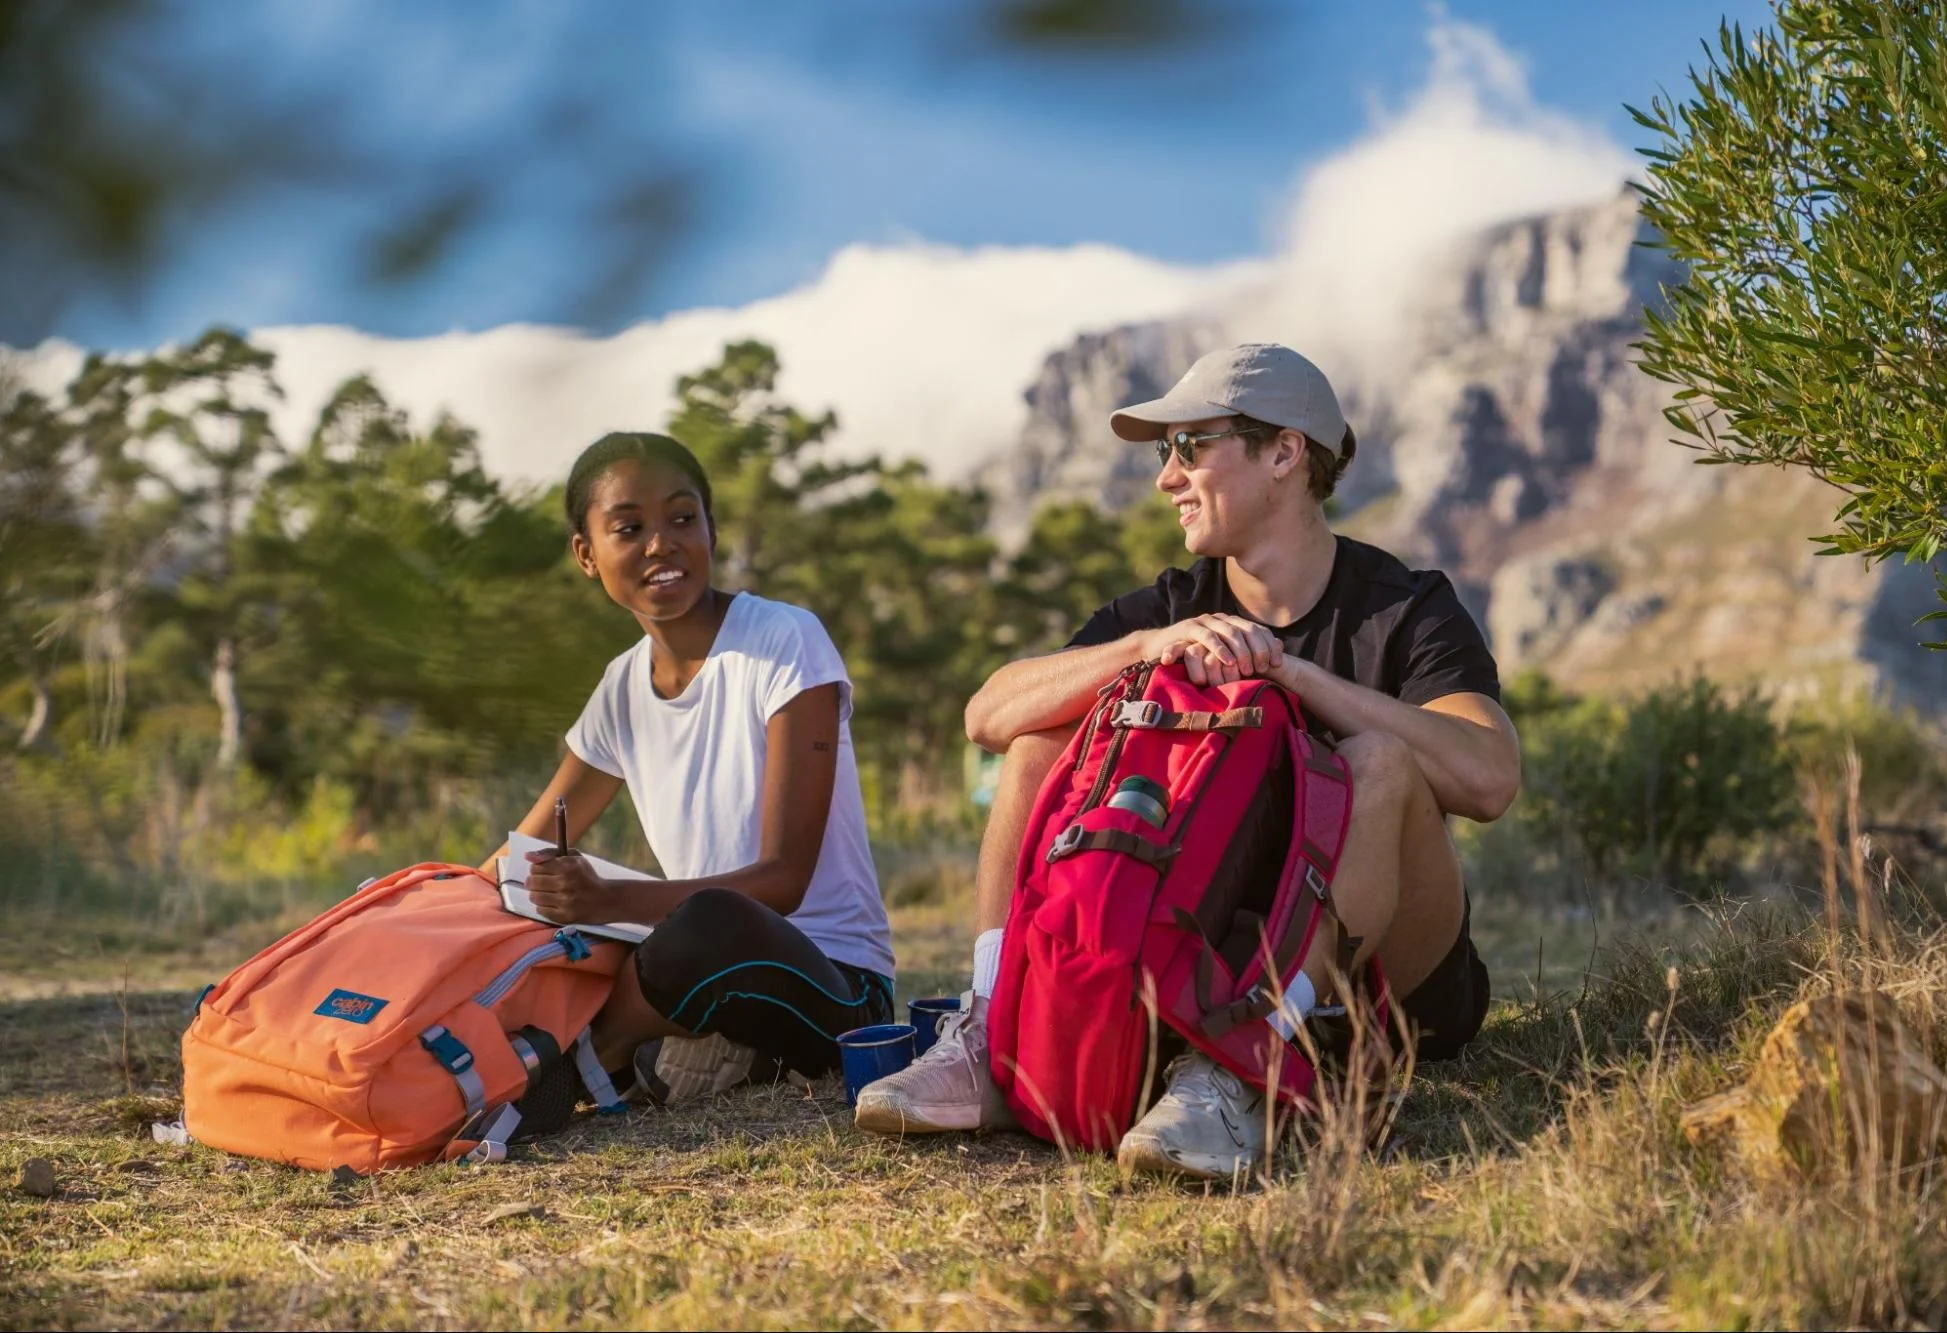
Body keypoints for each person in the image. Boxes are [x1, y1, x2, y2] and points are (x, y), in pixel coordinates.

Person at [854, 343, 1520, 1181]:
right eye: (1159, 452)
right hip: (1209, 968)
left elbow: (1488, 776)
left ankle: (1253, 1058)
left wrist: (1292, 673)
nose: (1166, 477)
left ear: (1282, 452)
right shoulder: (1173, 608)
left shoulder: (1405, 605)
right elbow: (987, 715)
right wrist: (1143, 646)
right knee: (1041, 740)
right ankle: (994, 1030)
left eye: (1188, 446)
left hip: (1388, 981)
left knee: (1378, 760)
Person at [490, 430, 895, 1108]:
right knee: (552, 926)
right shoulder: (620, 687)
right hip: (691, 959)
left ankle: (586, 1068)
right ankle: (673, 1046)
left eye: (683, 519)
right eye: (630, 527)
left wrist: (607, 899)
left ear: (710, 528)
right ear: (586, 555)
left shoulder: (783, 641)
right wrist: (421, 909)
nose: (661, 543)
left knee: (709, 922)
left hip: (833, 983)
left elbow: (783, 882)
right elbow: (522, 853)